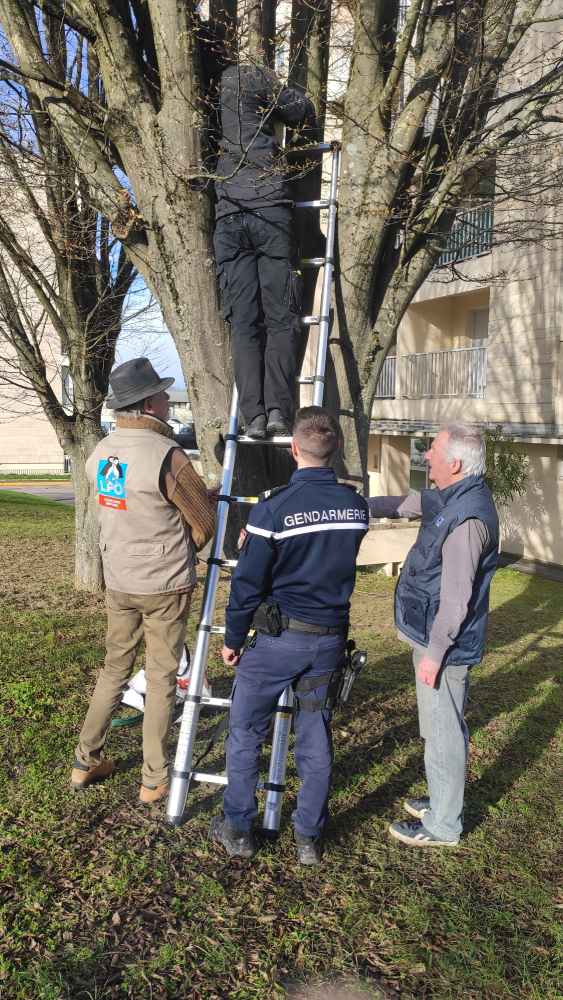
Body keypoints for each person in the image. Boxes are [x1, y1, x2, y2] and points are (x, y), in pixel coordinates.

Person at [209, 406, 369, 865]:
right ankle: (308, 838)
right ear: (334, 449)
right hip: (329, 641)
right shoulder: (355, 507)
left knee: (245, 731)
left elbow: (247, 585)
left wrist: (233, 638)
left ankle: (238, 827)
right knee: (315, 732)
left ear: (295, 449)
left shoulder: (273, 509)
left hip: (278, 643)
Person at [70, 358, 216, 803]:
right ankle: (154, 778)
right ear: (148, 403)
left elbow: (125, 506)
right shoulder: (166, 455)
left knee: (115, 668)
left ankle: (84, 760)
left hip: (120, 578)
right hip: (165, 585)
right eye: (162, 394)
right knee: (160, 677)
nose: (168, 402)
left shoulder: (101, 452)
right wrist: (185, 544)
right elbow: (205, 522)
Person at [368, 423, 499, 847]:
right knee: (435, 727)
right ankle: (440, 801)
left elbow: (458, 597)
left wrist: (436, 653)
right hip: (429, 635)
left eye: (433, 451)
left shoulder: (468, 519)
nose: (426, 456)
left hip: (444, 646)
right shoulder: (452, 497)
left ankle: (443, 825)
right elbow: (405, 503)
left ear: (455, 464)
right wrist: (351, 504)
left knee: (444, 734)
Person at [214, 62, 317, 439]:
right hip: (270, 211)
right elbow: (298, 111)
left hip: (228, 216)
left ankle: (252, 417)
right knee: (280, 319)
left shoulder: (215, 86)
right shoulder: (259, 78)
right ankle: (277, 411)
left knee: (244, 325)